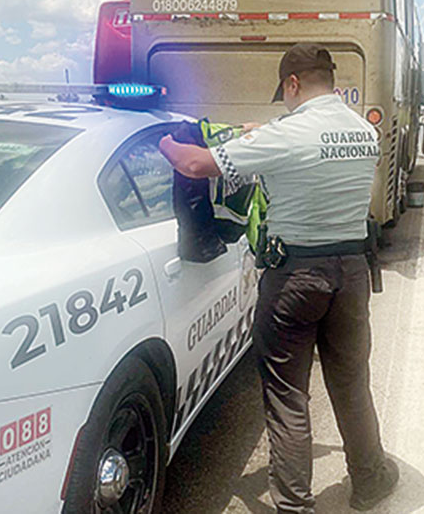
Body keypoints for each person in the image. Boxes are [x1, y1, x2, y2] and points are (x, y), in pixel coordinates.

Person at [158, 43, 397, 513]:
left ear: (292, 84)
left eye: (284, 94)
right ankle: (369, 480)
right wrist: (265, 131)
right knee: (351, 383)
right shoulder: (362, 131)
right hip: (350, 275)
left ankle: (293, 506)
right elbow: (307, 143)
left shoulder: (288, 135)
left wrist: (165, 140)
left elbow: (193, 164)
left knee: (288, 395)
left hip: (295, 278)